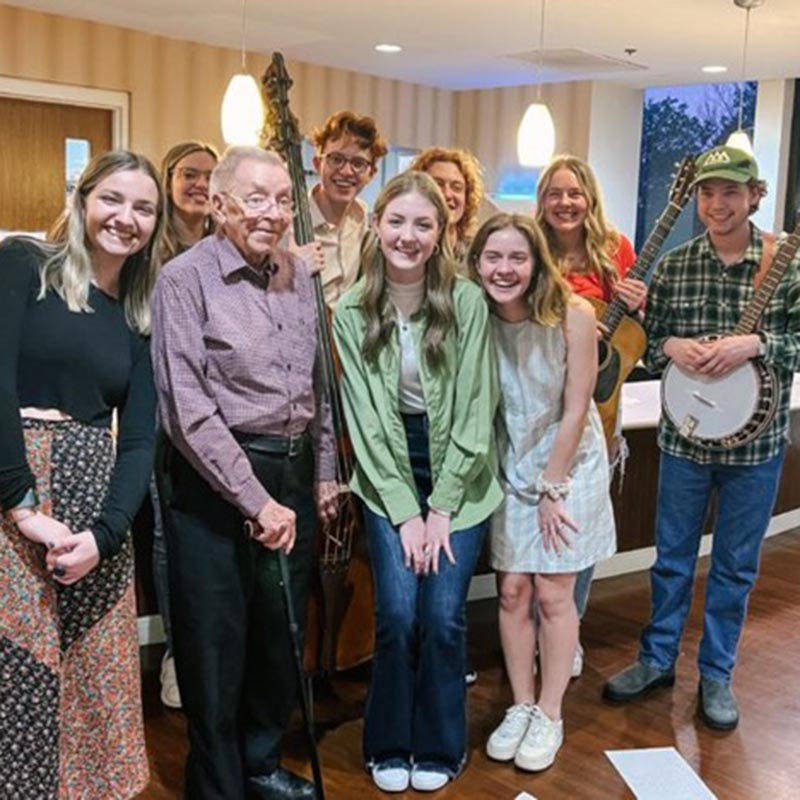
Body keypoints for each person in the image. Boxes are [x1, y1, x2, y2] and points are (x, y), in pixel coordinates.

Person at [151, 145, 337, 800]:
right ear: (222, 203)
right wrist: (257, 501)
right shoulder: (184, 279)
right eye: (257, 198)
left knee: (277, 639)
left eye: (285, 199)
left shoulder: (296, 273)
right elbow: (188, 411)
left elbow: (316, 384)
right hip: (213, 483)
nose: (274, 213)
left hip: (291, 474)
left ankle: (259, 765)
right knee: (215, 643)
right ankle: (218, 783)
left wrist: (322, 472)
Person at [603, 145, 800, 730]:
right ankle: (658, 658)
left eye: (731, 192)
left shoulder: (785, 264)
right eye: (708, 193)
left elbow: (797, 340)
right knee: (672, 559)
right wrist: (669, 346)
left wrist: (757, 344)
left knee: (736, 566)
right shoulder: (674, 263)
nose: (717, 204)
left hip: (757, 449)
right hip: (685, 441)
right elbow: (652, 329)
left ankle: (716, 674)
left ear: (755, 196)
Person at [0, 149, 164, 799]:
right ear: (83, 197)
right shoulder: (22, 265)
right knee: (18, 670)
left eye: (144, 208)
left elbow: (141, 436)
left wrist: (106, 533)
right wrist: (20, 504)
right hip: (14, 497)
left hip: (97, 516)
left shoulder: (141, 310)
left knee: (97, 677)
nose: (126, 218)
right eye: (113, 199)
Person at [332, 171, 501, 793]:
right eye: (397, 221)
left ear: (441, 232)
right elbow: (367, 423)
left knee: (444, 615)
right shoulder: (352, 308)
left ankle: (440, 745)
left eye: (423, 224)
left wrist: (444, 506)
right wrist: (406, 511)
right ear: (378, 225)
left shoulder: (468, 302)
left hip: (461, 471)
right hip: (388, 474)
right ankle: (389, 743)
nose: (408, 235)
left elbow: (476, 409)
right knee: (399, 613)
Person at [471, 213, 616, 772]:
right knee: (512, 592)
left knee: (555, 594)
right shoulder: (477, 316)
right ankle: (521, 704)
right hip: (512, 461)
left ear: (537, 263)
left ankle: (549, 712)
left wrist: (553, 486)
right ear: (478, 263)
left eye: (517, 257)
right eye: (493, 257)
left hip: (569, 462)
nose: (504, 269)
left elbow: (577, 406)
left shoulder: (573, 316)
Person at [535, 154, 647, 676]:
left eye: (574, 193)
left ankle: (569, 628)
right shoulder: (531, 248)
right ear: (543, 200)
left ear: (590, 199)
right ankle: (538, 623)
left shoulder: (615, 250)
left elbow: (636, 333)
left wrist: (640, 302)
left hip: (597, 410)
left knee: (580, 525)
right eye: (555, 193)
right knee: (538, 519)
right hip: (536, 405)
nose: (565, 203)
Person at [153, 140, 219, 710]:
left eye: (208, 176)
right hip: (158, 408)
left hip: (216, 413)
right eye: (189, 174)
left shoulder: (226, 244)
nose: (200, 184)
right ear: (169, 177)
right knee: (167, 535)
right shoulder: (155, 246)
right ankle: (178, 652)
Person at [302, 110, 387, 308]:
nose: (346, 171)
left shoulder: (363, 220)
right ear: (317, 164)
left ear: (371, 173)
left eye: (358, 164)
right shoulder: (290, 223)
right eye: (336, 159)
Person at [411, 146, 485, 263]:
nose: (447, 194)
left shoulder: (479, 255)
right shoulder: (405, 248)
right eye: (438, 184)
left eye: (456, 187)